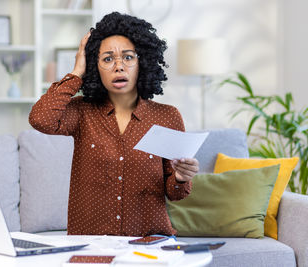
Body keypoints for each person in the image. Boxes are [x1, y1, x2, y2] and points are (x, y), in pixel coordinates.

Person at [29, 12, 199, 237]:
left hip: (149, 243)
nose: (119, 66)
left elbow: (176, 193)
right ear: (95, 66)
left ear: (142, 62)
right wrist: (77, 72)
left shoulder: (167, 117)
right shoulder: (82, 112)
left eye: (128, 57)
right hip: (91, 244)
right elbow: (40, 119)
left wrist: (181, 177)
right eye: (107, 59)